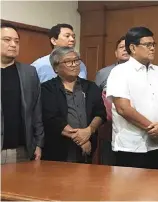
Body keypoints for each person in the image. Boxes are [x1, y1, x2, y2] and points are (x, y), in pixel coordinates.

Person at [107, 27, 158, 169]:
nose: (152, 49)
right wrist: (153, 129)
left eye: (153, 45)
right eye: (147, 45)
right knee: (132, 190)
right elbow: (123, 108)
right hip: (132, 146)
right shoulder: (120, 72)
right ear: (132, 47)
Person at [41, 47, 106, 163]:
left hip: (88, 148)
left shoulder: (90, 87)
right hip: (59, 148)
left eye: (76, 60)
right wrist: (81, 140)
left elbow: (100, 113)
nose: (74, 64)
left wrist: (89, 131)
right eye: (68, 61)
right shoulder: (47, 88)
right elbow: (52, 118)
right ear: (56, 67)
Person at [1, 22, 44, 164]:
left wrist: (38, 144)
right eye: (7, 40)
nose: (13, 44)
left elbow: (36, 110)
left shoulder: (29, 72)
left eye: (17, 41)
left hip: (22, 150)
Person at [94, 36, 129, 165]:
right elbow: (96, 99)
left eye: (127, 47)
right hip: (109, 125)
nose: (124, 50)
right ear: (115, 53)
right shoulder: (104, 73)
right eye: (121, 47)